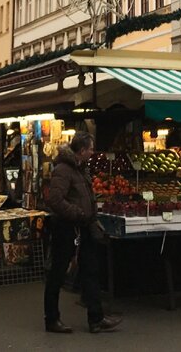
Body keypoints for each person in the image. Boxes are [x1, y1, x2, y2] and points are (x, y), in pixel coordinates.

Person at [43, 131, 121, 335]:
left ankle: (96, 318)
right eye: (91, 149)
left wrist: (90, 216)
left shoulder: (81, 169)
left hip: (84, 226)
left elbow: (85, 196)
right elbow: (55, 200)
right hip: (66, 227)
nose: (93, 152)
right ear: (82, 150)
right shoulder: (63, 169)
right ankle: (51, 318)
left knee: (90, 269)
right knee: (58, 272)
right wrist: (77, 213)